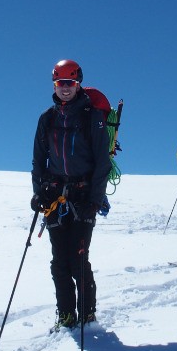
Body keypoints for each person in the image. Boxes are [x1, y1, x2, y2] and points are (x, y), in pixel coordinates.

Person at [31, 59, 112, 330]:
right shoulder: (47, 118)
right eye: (60, 83)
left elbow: (103, 162)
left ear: (78, 84)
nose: (65, 88)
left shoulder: (93, 117)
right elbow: (38, 161)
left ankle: (87, 315)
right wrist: (38, 193)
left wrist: (95, 200)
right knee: (59, 262)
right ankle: (66, 315)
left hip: (83, 195)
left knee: (78, 259)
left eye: (70, 83)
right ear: (54, 84)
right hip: (55, 196)